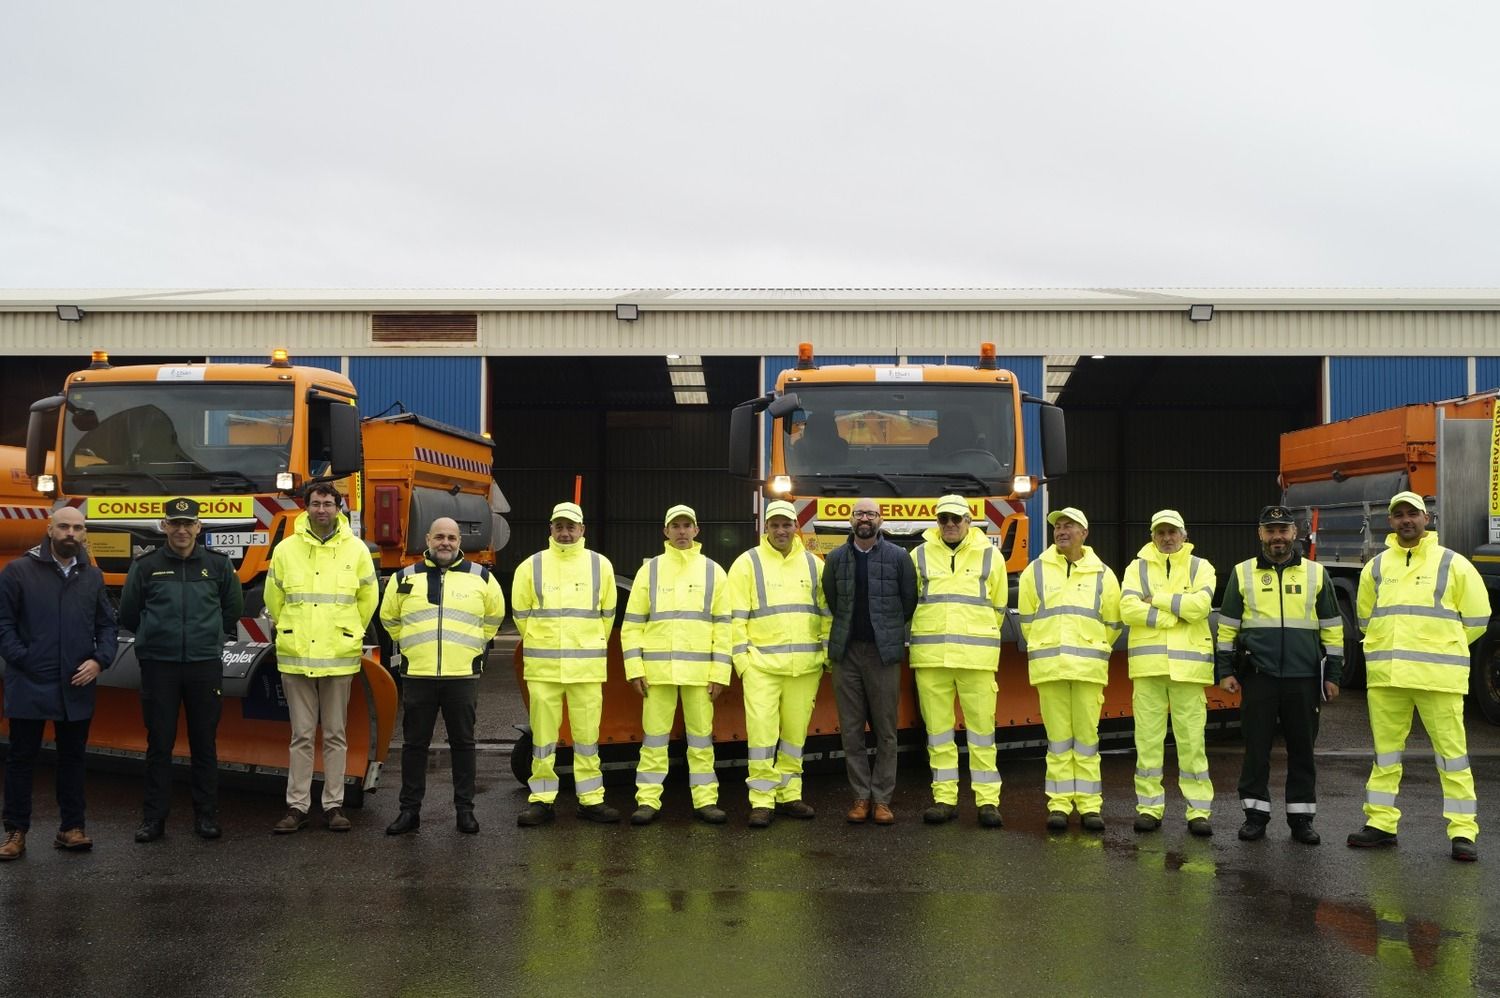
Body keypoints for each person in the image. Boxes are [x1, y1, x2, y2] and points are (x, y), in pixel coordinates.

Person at [1347, 491, 1490, 862]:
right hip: (1388, 679)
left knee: (1452, 757)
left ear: (1427, 519)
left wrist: (1440, 644)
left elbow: (1477, 618)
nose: (1406, 520)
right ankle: (1380, 824)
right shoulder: (1376, 568)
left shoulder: (1453, 564)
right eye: (1399, 515)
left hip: (1438, 678)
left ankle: (1463, 832)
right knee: (1385, 755)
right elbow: (1367, 619)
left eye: (1413, 513)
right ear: (1390, 522)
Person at [1215, 505, 1343, 845]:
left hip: (1304, 678)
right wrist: (1225, 671)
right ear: (1260, 534)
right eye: (1270, 531)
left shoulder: (1317, 575)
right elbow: (1227, 629)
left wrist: (1333, 674)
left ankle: (1301, 819)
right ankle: (1255, 815)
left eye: (1283, 530)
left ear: (1294, 533)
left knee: (1303, 751)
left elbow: (1332, 629)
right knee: (1256, 750)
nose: (1277, 537)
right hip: (1259, 676)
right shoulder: (1242, 574)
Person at [119, 497, 244, 843]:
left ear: (199, 527)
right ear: (164, 526)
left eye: (188, 524)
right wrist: (154, 636)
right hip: (160, 666)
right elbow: (130, 612)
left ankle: (206, 817)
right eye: (175, 523)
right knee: (159, 743)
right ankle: (153, 819)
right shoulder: (146, 566)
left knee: (204, 743)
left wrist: (210, 636)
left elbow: (232, 609)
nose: (182, 530)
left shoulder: (218, 566)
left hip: (204, 665)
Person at [0, 507, 117, 859]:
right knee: (21, 758)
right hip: (30, 681)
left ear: (84, 534)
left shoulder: (92, 576)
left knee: (73, 758)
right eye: (63, 526)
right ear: (50, 530)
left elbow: (107, 626)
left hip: (76, 684)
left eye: (77, 528)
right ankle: (15, 833)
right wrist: (25, 658)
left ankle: (71, 828)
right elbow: (3, 625)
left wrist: (100, 661)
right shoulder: (19, 571)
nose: (70, 533)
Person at [264, 482, 379, 834]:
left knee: (335, 734)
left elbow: (368, 598)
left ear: (338, 507)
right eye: (316, 504)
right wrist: (289, 630)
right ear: (306, 507)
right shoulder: (286, 550)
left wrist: (351, 632)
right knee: (300, 735)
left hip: (338, 655)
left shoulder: (356, 550)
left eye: (329, 504)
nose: (322, 510)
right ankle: (297, 806)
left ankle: (333, 805)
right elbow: (274, 599)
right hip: (297, 656)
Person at [380, 517, 505, 835]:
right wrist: (411, 649)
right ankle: (409, 812)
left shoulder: (481, 577)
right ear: (428, 539)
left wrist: (475, 647)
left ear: (460, 540)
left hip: (461, 675)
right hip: (418, 674)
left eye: (451, 537)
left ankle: (465, 811)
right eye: (439, 537)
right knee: (414, 746)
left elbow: (494, 617)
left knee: (463, 744)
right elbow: (389, 618)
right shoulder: (405, 577)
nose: (445, 542)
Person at [621, 504, 731, 825]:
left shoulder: (713, 571)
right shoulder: (650, 571)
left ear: (697, 531)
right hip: (657, 673)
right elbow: (633, 624)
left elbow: (724, 627)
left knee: (701, 740)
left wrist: (720, 672)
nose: (682, 531)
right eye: (676, 526)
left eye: (687, 526)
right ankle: (647, 801)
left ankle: (706, 801)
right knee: (654, 740)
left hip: (700, 675)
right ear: (665, 531)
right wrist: (635, 668)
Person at [511, 502, 619, 827]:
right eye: (559, 526)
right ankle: (542, 800)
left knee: (587, 739)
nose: (565, 532)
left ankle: (591, 800)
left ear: (582, 530)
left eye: (571, 526)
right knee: (543, 740)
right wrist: (545, 643)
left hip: (585, 670)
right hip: (544, 670)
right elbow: (520, 615)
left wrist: (586, 645)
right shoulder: (531, 567)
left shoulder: (601, 566)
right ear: (551, 529)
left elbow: (607, 615)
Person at [726, 499, 830, 828]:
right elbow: (735, 618)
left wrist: (824, 656)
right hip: (762, 667)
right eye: (775, 525)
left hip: (805, 666)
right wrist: (743, 662)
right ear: (765, 528)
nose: (781, 530)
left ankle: (789, 794)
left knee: (794, 736)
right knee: (762, 737)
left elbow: (827, 615)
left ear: (796, 527)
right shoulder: (746, 564)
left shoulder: (815, 565)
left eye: (787, 524)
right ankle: (761, 799)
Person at [1018, 507, 1122, 832]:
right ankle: (1059, 805)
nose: (1062, 531)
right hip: (1050, 669)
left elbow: (1114, 623)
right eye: (1058, 527)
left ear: (1084, 533)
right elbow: (1026, 621)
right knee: (1059, 740)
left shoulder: (1103, 574)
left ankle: (1090, 807)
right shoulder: (1035, 571)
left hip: (1088, 670)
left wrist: (1092, 647)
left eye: (1069, 526)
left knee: (1087, 740)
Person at [909, 495, 1007, 827]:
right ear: (936, 523)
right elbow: (910, 603)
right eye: (944, 519)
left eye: (956, 519)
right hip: (931, 658)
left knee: (982, 733)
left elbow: (999, 607)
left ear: (969, 520)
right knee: (938, 734)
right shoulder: (918, 556)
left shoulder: (991, 556)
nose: (950, 525)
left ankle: (987, 800)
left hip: (977, 660)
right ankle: (944, 798)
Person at [1120, 509, 1217, 836]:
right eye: (1161, 532)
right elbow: (1127, 609)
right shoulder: (1136, 568)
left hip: (1189, 671)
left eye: (1173, 531)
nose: (1167, 537)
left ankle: (1199, 811)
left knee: (1193, 743)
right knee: (1147, 743)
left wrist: (1157, 599)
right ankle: (1148, 808)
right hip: (1149, 669)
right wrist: (1171, 616)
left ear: (1184, 534)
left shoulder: (1201, 567)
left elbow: (1200, 607)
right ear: (1152, 536)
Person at [822, 497, 916, 824]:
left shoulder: (899, 558)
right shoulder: (834, 559)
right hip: (846, 655)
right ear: (851, 520)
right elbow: (833, 599)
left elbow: (908, 602)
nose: (865, 518)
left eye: (871, 513)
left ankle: (883, 801)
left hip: (883, 654)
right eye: (860, 513)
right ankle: (861, 798)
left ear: (881, 519)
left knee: (886, 730)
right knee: (851, 731)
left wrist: (886, 632)